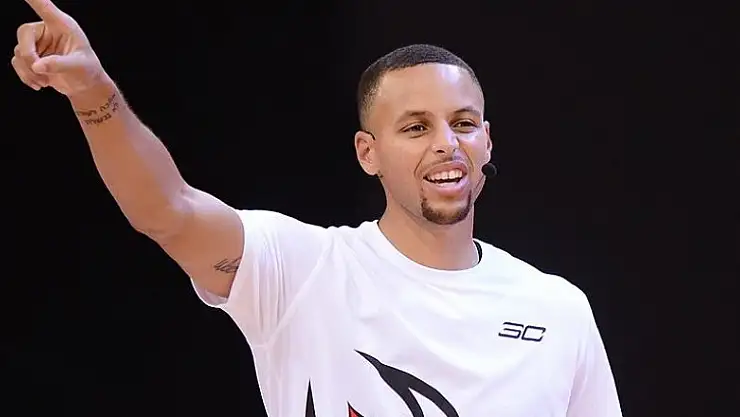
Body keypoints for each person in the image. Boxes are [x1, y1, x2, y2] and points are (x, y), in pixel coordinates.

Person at [13, 1, 623, 416]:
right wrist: (92, 93)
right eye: (415, 127)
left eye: (463, 123)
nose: (447, 143)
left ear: (486, 140)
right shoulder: (302, 270)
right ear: (367, 152)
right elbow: (167, 210)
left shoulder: (558, 309)